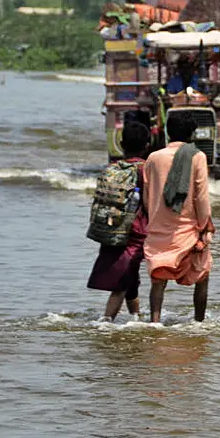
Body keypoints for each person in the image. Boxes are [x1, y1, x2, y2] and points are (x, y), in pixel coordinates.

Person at [142, 113, 214, 323]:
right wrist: (204, 226)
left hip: (158, 228)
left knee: (158, 280)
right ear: (192, 134)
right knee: (202, 276)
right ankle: (199, 323)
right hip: (188, 228)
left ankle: (155, 323)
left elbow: (148, 196)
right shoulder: (197, 156)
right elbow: (200, 195)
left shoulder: (153, 158)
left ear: (168, 132)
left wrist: (155, 218)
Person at [86, 121, 151, 321]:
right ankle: (106, 322)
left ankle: (136, 318)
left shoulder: (112, 168)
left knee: (130, 279)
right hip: (134, 230)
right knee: (122, 280)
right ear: (147, 145)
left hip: (111, 227)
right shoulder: (144, 170)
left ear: (121, 145)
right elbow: (149, 202)